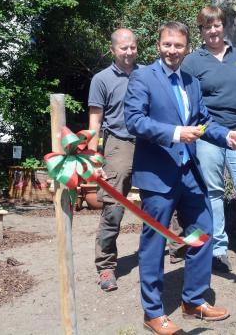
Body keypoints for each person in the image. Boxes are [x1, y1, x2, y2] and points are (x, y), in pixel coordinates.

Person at [124, 21, 236, 335]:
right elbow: (134, 120)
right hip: (159, 175)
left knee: (203, 232)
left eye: (178, 46)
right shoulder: (143, 77)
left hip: (189, 174)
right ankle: (152, 313)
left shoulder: (191, 82)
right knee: (153, 243)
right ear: (158, 44)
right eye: (167, 44)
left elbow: (204, 121)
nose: (172, 51)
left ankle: (193, 300)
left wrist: (226, 136)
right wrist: (176, 133)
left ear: (187, 48)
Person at [180, 6, 236, 273]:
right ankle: (218, 249)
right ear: (201, 31)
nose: (213, 31)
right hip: (208, 134)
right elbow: (187, 101)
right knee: (213, 191)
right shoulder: (192, 62)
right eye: (207, 27)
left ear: (224, 26)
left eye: (216, 25)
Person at [88, 28, 140, 292]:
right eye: (123, 48)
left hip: (148, 141)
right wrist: (92, 156)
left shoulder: (146, 74)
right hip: (118, 144)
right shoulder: (102, 79)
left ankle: (175, 248)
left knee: (165, 195)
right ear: (113, 50)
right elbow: (95, 120)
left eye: (132, 47)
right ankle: (106, 265)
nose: (129, 52)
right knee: (113, 206)